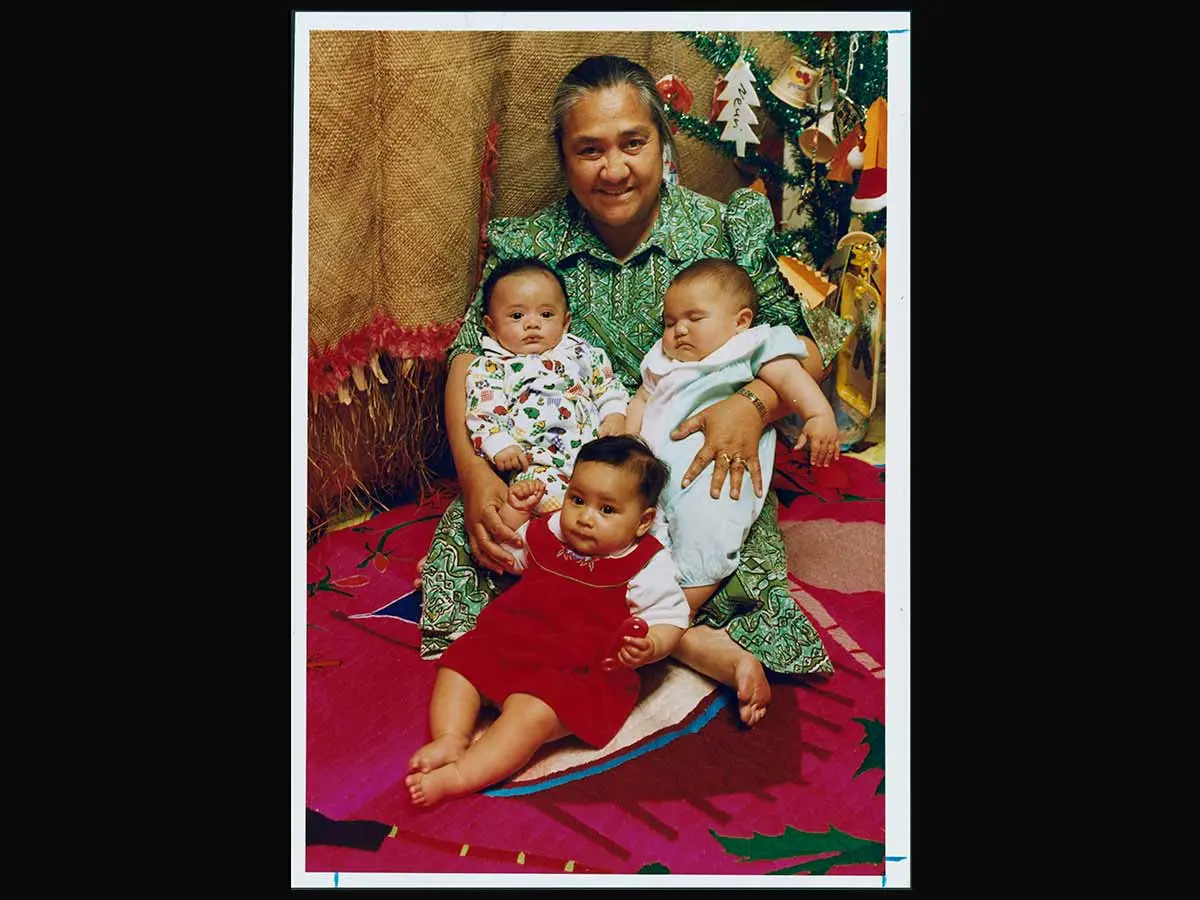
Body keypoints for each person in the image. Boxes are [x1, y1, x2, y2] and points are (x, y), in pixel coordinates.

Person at [418, 54, 855, 727]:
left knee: (715, 559)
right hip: (567, 459)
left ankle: (644, 633)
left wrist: (754, 405)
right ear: (564, 159)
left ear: (663, 142)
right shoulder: (530, 244)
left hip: (698, 454)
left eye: (633, 142)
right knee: (502, 546)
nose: (613, 169)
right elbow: (467, 356)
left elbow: (805, 340)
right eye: (588, 149)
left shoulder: (719, 230)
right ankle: (667, 643)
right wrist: (473, 475)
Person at [407, 435, 689, 808]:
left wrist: (651, 644)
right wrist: (515, 514)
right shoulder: (550, 531)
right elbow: (508, 555)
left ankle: (462, 775)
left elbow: (670, 617)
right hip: (511, 643)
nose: (586, 518)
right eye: (577, 500)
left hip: (574, 672)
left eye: (607, 510)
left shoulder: (646, 563)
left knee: (531, 713)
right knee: (460, 662)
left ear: (643, 521)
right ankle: (450, 737)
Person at [626, 257, 840, 620]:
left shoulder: (750, 345)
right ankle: (640, 601)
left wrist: (818, 415)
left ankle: (679, 610)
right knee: (637, 538)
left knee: (706, 529)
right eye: (670, 322)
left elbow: (791, 378)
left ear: (740, 321)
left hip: (715, 472)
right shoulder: (663, 359)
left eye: (694, 319)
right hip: (649, 474)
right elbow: (643, 397)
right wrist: (628, 440)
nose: (679, 330)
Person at [465, 256, 629, 514]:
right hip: (537, 466)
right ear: (491, 326)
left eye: (546, 314)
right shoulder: (491, 368)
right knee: (529, 500)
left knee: (624, 492)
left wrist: (614, 415)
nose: (532, 323)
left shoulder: (582, 354)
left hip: (595, 460)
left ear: (565, 322)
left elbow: (607, 386)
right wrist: (500, 445)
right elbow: (482, 413)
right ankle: (534, 543)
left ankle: (611, 543)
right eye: (517, 315)